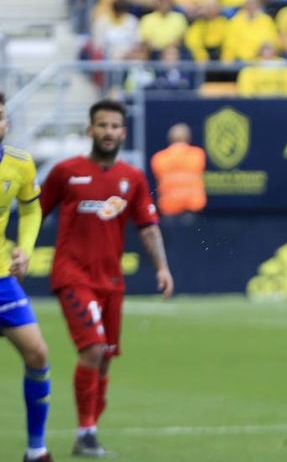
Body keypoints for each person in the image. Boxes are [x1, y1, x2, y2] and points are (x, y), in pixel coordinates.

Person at [39, 99, 175, 458]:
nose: (109, 132)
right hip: (72, 276)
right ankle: (86, 433)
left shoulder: (132, 178)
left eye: (115, 126)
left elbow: (148, 226)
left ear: (123, 132)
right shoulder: (65, 172)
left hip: (111, 282)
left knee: (106, 357)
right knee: (94, 350)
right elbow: (33, 211)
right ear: (90, 130)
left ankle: (91, 428)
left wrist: (161, 267)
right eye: (102, 125)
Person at [0, 94, 54, 462]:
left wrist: (26, 249)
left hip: (2, 279)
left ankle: (36, 450)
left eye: (0, 117)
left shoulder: (19, 163)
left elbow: (32, 211)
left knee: (37, 353)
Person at [149, 123, 207, 217]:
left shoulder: (159, 158)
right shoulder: (198, 154)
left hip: (169, 207)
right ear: (188, 137)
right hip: (192, 206)